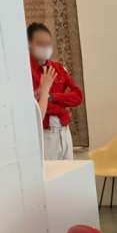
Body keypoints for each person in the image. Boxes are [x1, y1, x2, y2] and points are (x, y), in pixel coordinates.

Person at [28, 22, 83, 160]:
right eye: (40, 43)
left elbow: (78, 96)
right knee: (50, 171)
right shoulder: (26, 72)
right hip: (45, 134)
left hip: (64, 131)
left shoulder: (58, 68)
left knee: (69, 170)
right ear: (29, 45)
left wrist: (52, 97)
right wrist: (61, 105)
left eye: (48, 44)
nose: (45, 48)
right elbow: (32, 109)